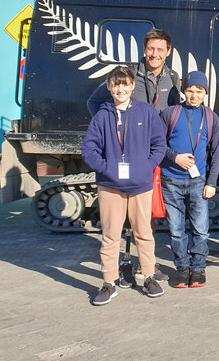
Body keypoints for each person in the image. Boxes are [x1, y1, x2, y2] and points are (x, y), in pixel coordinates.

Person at [82, 66, 167, 305]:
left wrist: (145, 167)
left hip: (140, 184)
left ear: (132, 86)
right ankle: (109, 282)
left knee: (144, 234)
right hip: (110, 186)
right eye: (115, 84)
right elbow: (88, 150)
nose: (121, 88)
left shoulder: (147, 112)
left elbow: (159, 145)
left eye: (125, 83)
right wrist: (107, 168)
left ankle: (149, 276)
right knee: (110, 236)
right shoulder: (102, 115)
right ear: (109, 87)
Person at [158, 71, 219, 288]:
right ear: (184, 90)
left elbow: (217, 151)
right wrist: (175, 157)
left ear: (205, 93)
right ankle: (182, 268)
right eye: (190, 90)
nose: (194, 95)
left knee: (201, 227)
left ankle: (198, 268)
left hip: (198, 180)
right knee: (176, 229)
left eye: (199, 91)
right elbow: (158, 145)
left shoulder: (211, 117)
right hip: (171, 180)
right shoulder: (170, 114)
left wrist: (211, 182)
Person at [87, 29, 181, 116]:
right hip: (132, 134)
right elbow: (94, 101)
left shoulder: (173, 77)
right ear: (144, 49)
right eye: (150, 49)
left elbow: (176, 113)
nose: (154, 54)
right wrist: (106, 126)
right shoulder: (128, 74)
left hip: (160, 134)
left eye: (160, 50)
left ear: (168, 51)